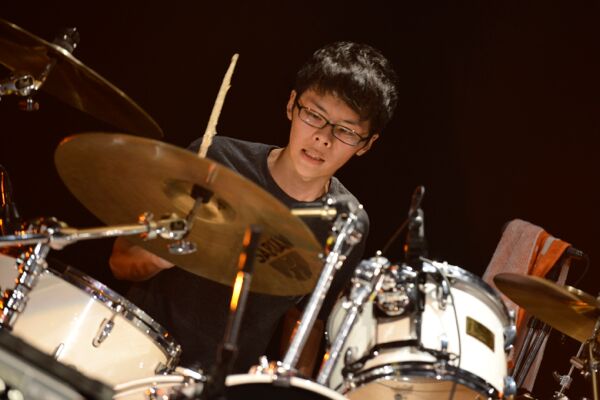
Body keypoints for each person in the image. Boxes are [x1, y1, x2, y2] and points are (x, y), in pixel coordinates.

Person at [109, 41, 398, 374]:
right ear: (291, 104)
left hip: (225, 386)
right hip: (137, 354)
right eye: (314, 115)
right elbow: (119, 261)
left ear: (367, 144)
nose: (323, 138)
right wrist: (159, 256)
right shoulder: (216, 160)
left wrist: (288, 387)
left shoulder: (346, 222)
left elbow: (307, 321)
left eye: (345, 131)